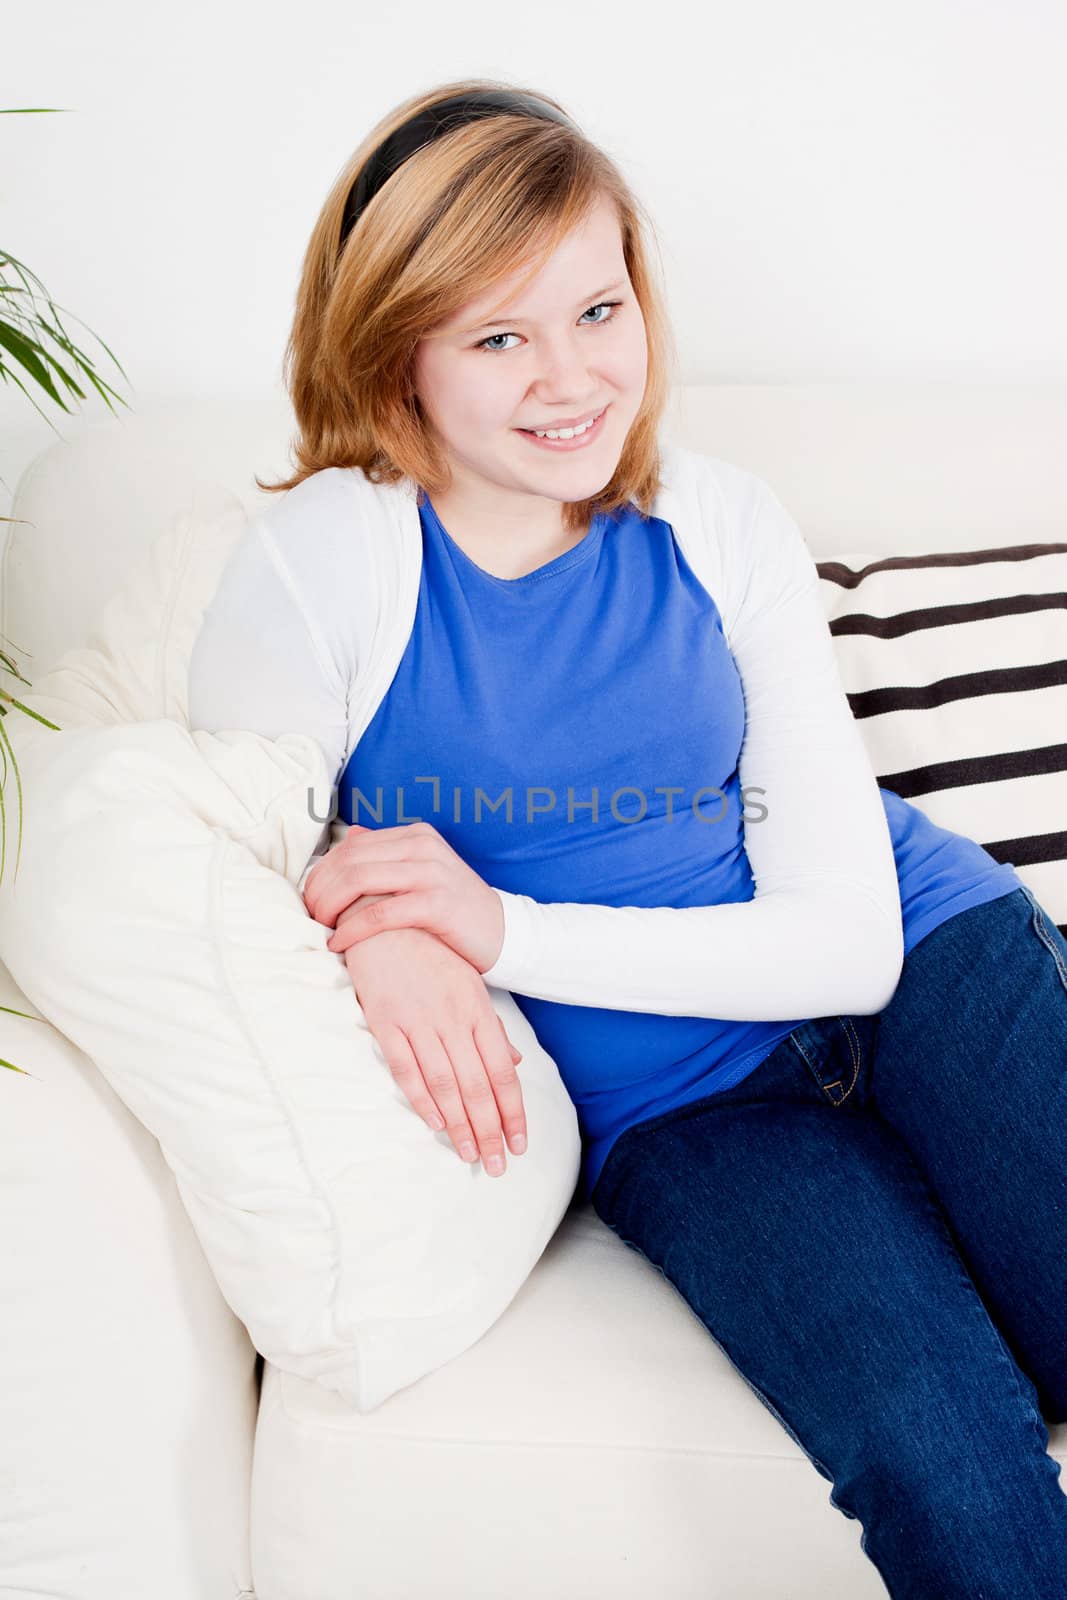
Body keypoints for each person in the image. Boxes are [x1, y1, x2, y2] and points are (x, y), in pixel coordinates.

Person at [187, 76, 1067, 1597]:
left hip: (928, 961)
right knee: (945, 1466)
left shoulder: (719, 520)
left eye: (598, 311)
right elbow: (229, 858)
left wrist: (487, 928)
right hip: (689, 1112)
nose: (570, 379)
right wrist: (376, 928)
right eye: (499, 335)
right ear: (396, 351)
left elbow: (850, 942)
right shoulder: (321, 567)